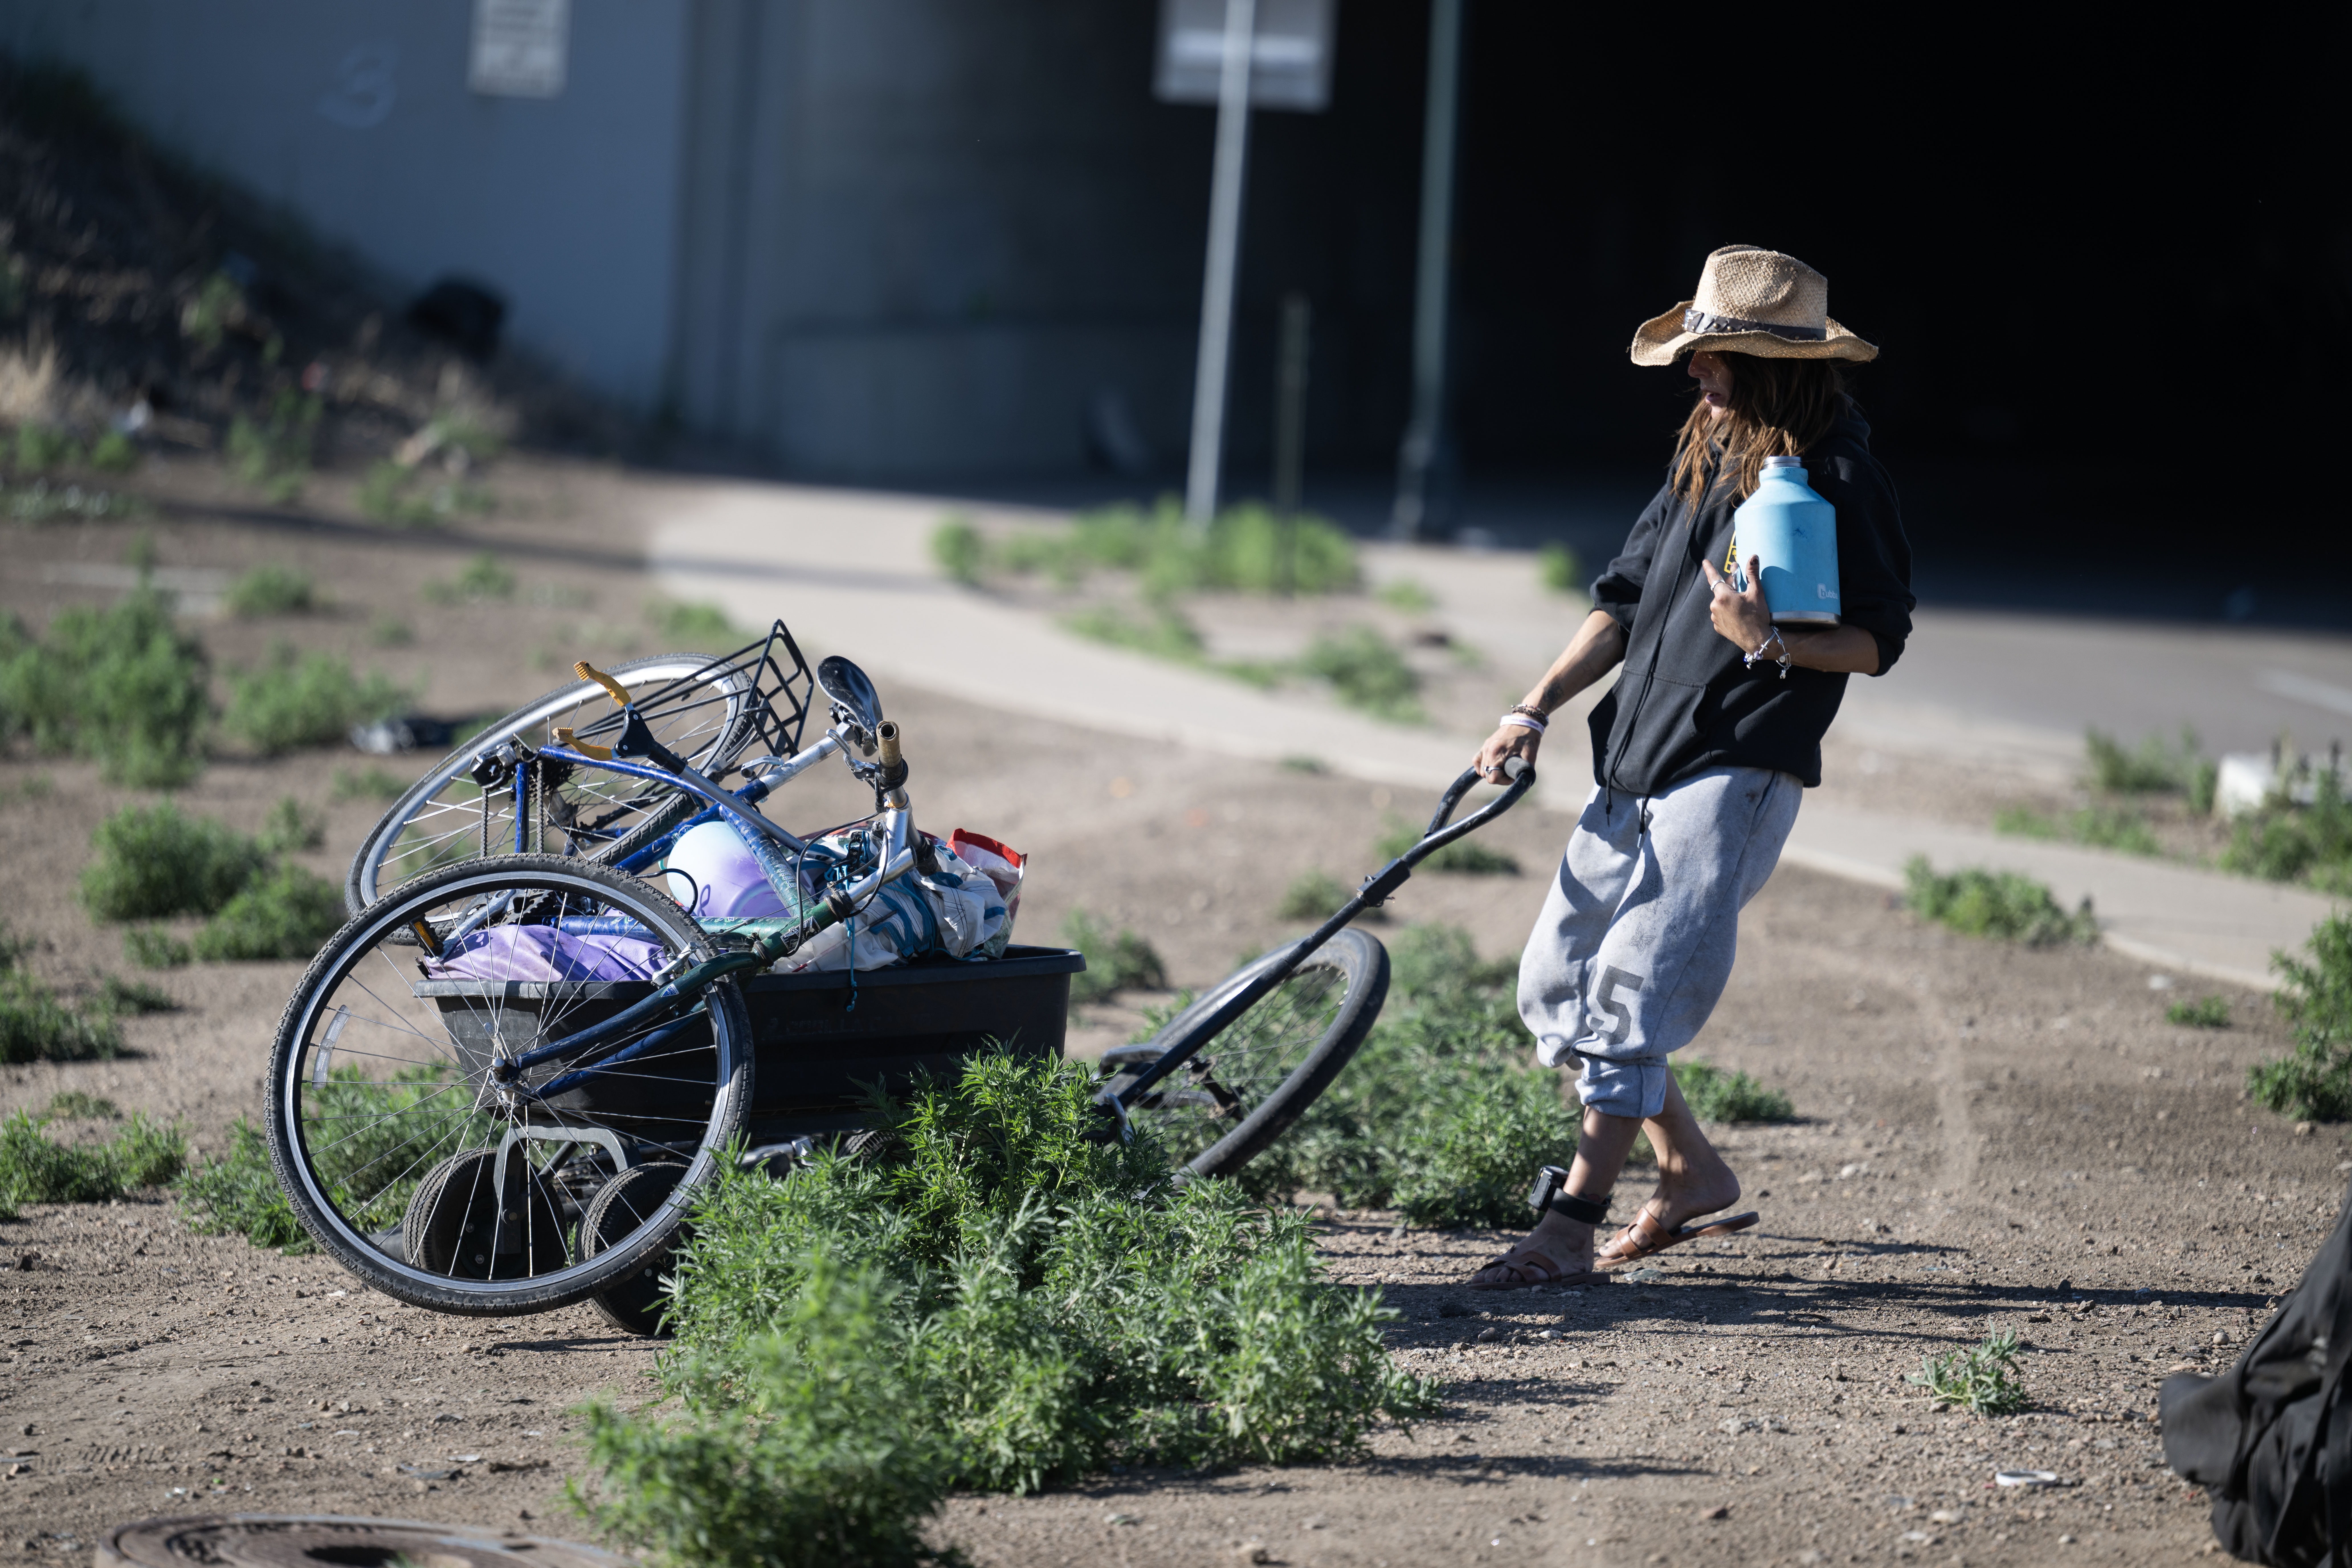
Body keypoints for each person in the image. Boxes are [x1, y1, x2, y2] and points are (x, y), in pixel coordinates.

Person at [1464, 244, 1914, 1289]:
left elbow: (1879, 643)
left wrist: (1768, 642)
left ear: (1771, 365)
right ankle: (1691, 1173)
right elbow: (1620, 603)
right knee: (1556, 990)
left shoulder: (1841, 477)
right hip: (1635, 755)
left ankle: (1568, 1231)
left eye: (1713, 358)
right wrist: (1529, 707)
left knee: (1629, 995)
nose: (1693, 373)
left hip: (1737, 767)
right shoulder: (1707, 456)